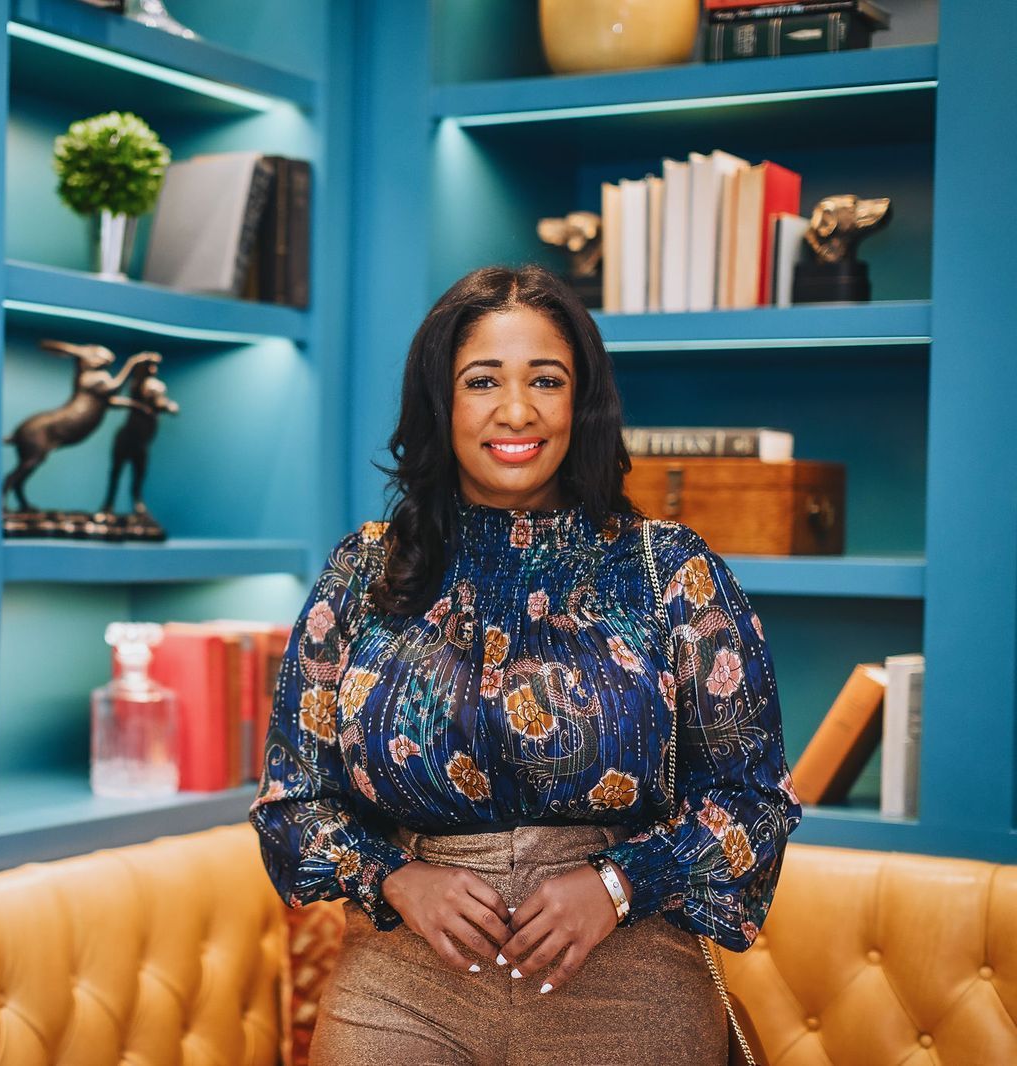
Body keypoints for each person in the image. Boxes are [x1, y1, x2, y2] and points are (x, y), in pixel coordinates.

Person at [249, 264, 802, 1064]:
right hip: (405, 983)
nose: (517, 410)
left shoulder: (669, 571)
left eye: (546, 379)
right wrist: (395, 878)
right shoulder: (362, 573)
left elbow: (756, 799)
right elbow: (291, 798)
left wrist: (618, 885)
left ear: (582, 402)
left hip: (625, 977)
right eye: (482, 381)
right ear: (442, 403)